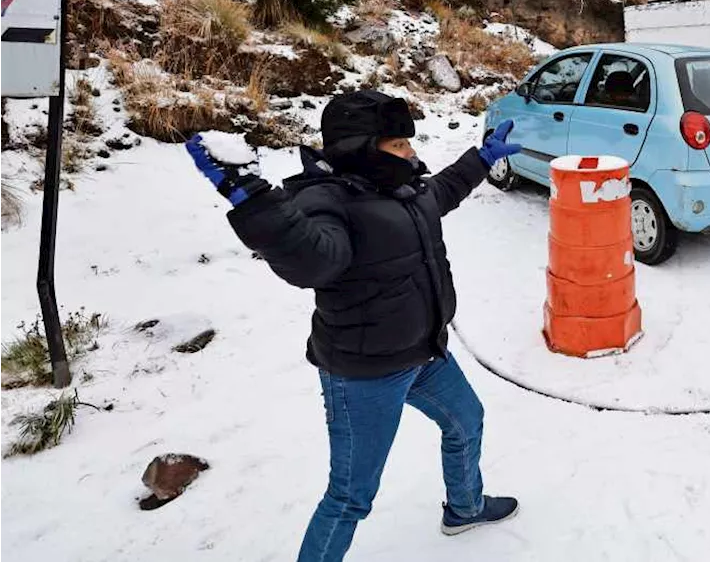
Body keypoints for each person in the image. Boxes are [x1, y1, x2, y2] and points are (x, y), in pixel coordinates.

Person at [183, 90, 524, 561]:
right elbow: (314, 262)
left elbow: (440, 195)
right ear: (361, 147)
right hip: (364, 374)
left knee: (467, 421)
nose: (411, 153)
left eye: (409, 142)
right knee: (350, 496)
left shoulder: (400, 185)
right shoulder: (324, 199)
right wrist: (255, 202)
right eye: (398, 144)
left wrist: (480, 159)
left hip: (423, 352)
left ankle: (465, 508)